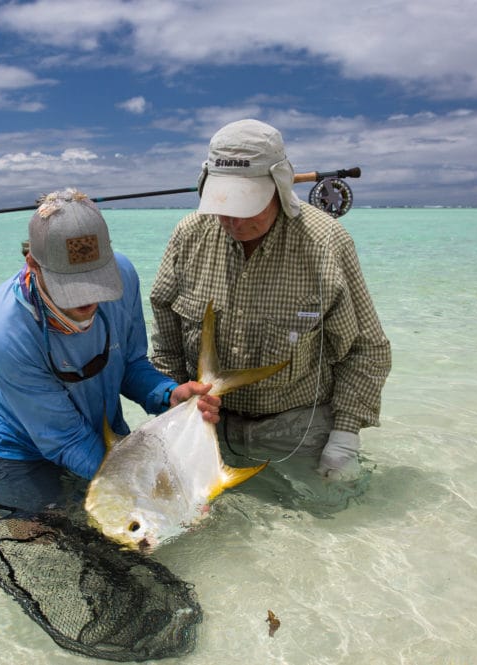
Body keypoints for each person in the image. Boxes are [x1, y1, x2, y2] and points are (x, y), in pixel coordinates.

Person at [149, 119, 391, 512]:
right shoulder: (188, 236)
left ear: (281, 184)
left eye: (248, 206)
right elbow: (166, 339)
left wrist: (345, 436)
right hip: (207, 428)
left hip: (296, 430)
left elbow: (366, 350)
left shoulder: (327, 242)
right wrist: (175, 415)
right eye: (224, 207)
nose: (235, 221)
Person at [0, 187, 219, 516]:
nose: (88, 298)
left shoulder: (123, 275)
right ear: (33, 264)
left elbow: (131, 364)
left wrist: (169, 394)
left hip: (103, 433)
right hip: (23, 450)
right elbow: (65, 440)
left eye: (96, 279)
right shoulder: (4, 331)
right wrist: (149, 494)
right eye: (72, 285)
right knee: (38, 541)